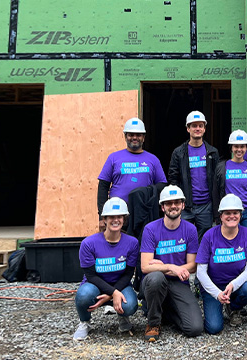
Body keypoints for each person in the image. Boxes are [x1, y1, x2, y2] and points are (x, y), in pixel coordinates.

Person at [140, 185, 203, 341]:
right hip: (155, 281)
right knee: (156, 278)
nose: (173, 206)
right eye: (168, 203)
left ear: (182, 205)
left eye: (177, 202)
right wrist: (170, 267)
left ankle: (165, 310)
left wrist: (163, 267)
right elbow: (145, 266)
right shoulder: (150, 229)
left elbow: (192, 265)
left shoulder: (190, 229)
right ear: (162, 207)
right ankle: (153, 322)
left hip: (178, 283)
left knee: (195, 328)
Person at [73, 197, 139, 341]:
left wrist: (112, 294)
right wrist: (114, 293)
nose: (115, 220)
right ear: (104, 219)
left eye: (119, 217)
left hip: (120, 284)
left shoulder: (132, 243)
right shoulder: (88, 243)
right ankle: (84, 322)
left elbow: (128, 274)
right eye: (111, 217)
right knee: (84, 296)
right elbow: (91, 276)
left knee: (131, 305)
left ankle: (123, 317)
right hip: (95, 285)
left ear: (124, 219)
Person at [196, 194, 247, 334]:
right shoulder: (209, 235)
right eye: (227, 213)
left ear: (241, 215)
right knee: (214, 328)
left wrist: (232, 285)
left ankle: (233, 307)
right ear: (221, 216)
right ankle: (218, 303)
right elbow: (200, 271)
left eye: (235, 212)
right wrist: (217, 293)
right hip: (213, 287)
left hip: (235, 286)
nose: (232, 216)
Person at [97, 117, 167, 229]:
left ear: (143, 137)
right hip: (118, 214)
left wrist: (145, 191)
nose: (134, 137)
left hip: (144, 214)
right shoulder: (114, 158)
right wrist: (102, 216)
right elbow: (103, 187)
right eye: (131, 134)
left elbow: (162, 185)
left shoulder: (153, 160)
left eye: (138, 135)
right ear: (125, 136)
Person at [169, 110, 220, 239]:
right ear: (188, 129)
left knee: (205, 241)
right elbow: (173, 179)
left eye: (200, 126)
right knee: (184, 239)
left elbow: (217, 180)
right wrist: (179, 202)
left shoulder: (212, 152)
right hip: (186, 207)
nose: (197, 128)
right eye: (194, 126)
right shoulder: (179, 153)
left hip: (206, 206)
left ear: (204, 129)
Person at [215, 130, 247, 231]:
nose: (239, 149)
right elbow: (216, 192)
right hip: (229, 212)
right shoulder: (222, 167)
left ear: (246, 148)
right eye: (236, 146)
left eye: (242, 146)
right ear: (231, 148)